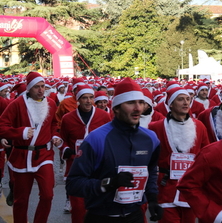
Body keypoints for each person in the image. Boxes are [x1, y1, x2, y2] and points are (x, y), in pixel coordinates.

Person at [66, 77, 163, 223]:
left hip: (134, 216)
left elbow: (150, 172)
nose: (137, 108)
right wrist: (109, 183)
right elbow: (73, 184)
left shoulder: (151, 139)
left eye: (141, 102)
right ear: (116, 108)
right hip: (101, 217)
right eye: (131, 103)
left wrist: (153, 199)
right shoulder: (97, 139)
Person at [0, 72, 59, 223]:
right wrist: (20, 132)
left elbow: (54, 123)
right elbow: (2, 125)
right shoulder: (17, 104)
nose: (40, 90)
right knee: (21, 200)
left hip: (44, 155)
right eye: (37, 87)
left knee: (47, 195)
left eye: (43, 87)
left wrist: (54, 136)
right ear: (29, 88)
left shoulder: (51, 103)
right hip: (22, 156)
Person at [148, 87, 209, 223]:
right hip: (166, 188)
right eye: (180, 99)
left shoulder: (199, 126)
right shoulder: (155, 127)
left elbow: (206, 157)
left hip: (190, 190)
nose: (186, 103)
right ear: (170, 103)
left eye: (188, 99)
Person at [59, 84, 111, 223]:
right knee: (77, 208)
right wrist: (65, 149)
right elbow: (61, 139)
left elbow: (112, 138)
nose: (88, 101)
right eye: (84, 98)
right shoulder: (68, 118)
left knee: (97, 208)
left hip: (99, 168)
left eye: (91, 98)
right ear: (78, 100)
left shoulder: (104, 116)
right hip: (75, 167)